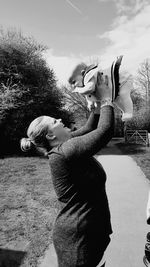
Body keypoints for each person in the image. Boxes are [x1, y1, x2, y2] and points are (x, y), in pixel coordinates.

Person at [21, 72, 114, 267]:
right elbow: (104, 132)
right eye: (54, 122)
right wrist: (106, 98)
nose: (59, 119)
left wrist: (95, 100)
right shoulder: (64, 152)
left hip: (89, 232)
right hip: (78, 239)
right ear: (50, 136)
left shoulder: (66, 145)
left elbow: (90, 127)